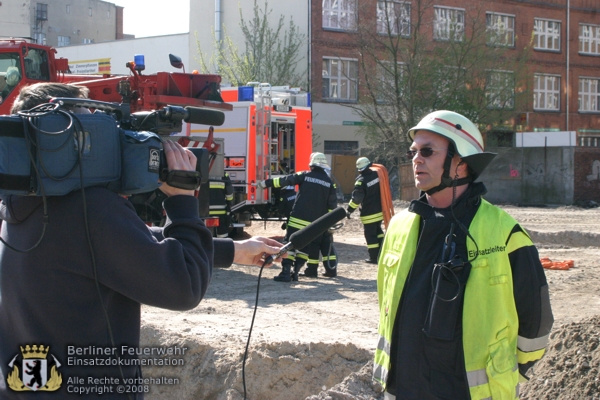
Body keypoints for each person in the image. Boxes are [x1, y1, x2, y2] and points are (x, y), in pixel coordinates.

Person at [0, 83, 284, 399]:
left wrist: (234, 250)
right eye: (92, 129)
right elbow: (183, 288)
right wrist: (182, 201)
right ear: (65, 138)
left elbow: (124, 244)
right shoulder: (91, 209)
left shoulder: (20, 206)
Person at [373, 110, 554, 399]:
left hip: (471, 392)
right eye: (414, 152)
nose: (416, 159)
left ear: (461, 163)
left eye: (428, 151)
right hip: (406, 388)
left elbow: (536, 319)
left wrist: (507, 369)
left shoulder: (506, 233)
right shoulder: (399, 225)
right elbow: (386, 301)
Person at [258, 152, 337, 282]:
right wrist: (329, 225)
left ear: (312, 165)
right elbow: (332, 207)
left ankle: (285, 273)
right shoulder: (329, 183)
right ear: (324, 166)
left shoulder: (305, 175)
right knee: (304, 248)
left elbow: (285, 180)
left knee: (289, 244)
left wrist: (266, 183)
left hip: (297, 218)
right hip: (313, 224)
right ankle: (295, 273)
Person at [346, 157, 384, 264]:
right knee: (378, 232)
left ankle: (374, 257)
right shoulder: (377, 175)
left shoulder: (361, 181)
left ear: (359, 169)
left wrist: (349, 210)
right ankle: (382, 253)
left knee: (370, 235)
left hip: (369, 213)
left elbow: (357, 199)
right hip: (379, 211)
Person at [209, 172, 234, 238]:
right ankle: (223, 246)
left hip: (203, 212)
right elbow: (229, 193)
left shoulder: (201, 172)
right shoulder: (224, 174)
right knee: (222, 234)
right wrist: (229, 204)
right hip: (220, 212)